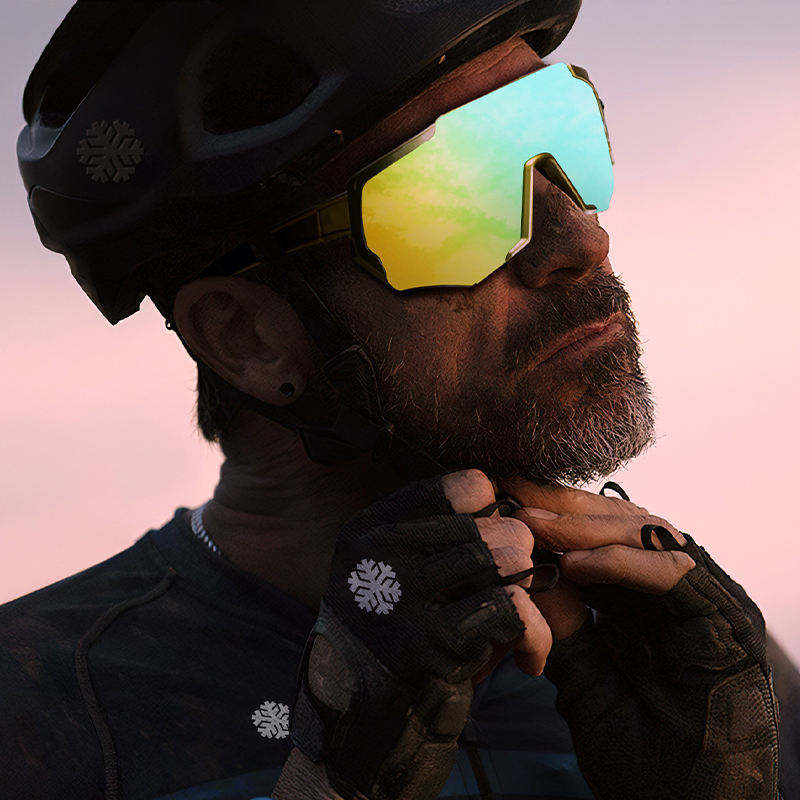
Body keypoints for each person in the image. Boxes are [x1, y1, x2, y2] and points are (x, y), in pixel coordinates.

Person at [4, 1, 798, 798]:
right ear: (249, 337)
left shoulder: (694, 670)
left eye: (569, 135)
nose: (583, 241)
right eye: (453, 195)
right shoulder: (40, 713)